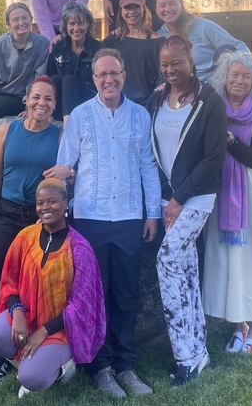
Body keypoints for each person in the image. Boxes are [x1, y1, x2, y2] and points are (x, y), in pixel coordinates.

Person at [46, 48, 162, 398]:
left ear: (124, 76)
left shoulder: (140, 116)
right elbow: (65, 165)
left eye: (114, 73)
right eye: (101, 75)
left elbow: (147, 166)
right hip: (90, 219)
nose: (108, 80)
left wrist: (152, 213)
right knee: (94, 296)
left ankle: (126, 365)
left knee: (126, 295)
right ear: (93, 79)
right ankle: (101, 367)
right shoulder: (80, 116)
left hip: (128, 218)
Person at [144, 35, 228, 387]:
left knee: (168, 261)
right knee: (187, 274)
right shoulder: (158, 97)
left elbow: (213, 159)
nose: (170, 70)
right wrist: (162, 200)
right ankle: (199, 350)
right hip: (166, 198)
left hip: (194, 199)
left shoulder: (210, 101)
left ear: (190, 60)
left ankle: (185, 358)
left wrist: (181, 197)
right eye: (164, 64)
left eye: (176, 62)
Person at [0, 76, 61, 382]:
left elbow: (63, 182)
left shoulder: (60, 136)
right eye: (36, 97)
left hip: (40, 218)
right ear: (26, 99)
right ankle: (6, 346)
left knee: (33, 282)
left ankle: (34, 342)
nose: (42, 103)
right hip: (8, 213)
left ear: (54, 104)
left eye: (49, 99)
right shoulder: (6, 130)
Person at [0, 179, 106, 398]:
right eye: (40, 203)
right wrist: (18, 313)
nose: (45, 207)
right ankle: (31, 363)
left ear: (66, 204)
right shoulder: (25, 237)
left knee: (33, 378)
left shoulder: (79, 249)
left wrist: (43, 332)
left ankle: (62, 368)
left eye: (52, 201)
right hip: (28, 315)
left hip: (61, 329)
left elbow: (80, 307)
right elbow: (9, 281)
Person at [202, 52, 252, 354]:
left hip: (251, 188)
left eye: (246, 76)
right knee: (228, 255)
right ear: (225, 76)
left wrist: (228, 138)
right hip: (221, 187)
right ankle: (238, 326)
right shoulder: (213, 106)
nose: (239, 80)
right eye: (234, 74)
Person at [155, 0, 249, 82]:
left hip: (210, 85)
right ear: (156, 10)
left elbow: (238, 47)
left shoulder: (202, 25)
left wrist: (246, 72)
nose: (168, 9)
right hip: (177, 87)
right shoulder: (158, 37)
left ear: (181, 6)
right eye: (162, 5)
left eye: (172, 3)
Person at [0, 3, 49, 122]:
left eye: (25, 18)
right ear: (8, 25)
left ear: (31, 19)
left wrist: (30, 107)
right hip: (2, 92)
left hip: (24, 97)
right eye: (15, 20)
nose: (21, 23)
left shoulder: (42, 45)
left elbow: (38, 79)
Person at [102, 0, 164, 106]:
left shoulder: (158, 42)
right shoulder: (112, 41)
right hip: (117, 104)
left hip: (148, 104)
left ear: (144, 9)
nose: (132, 12)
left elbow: (163, 75)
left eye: (136, 7)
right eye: (127, 7)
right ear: (121, 11)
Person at [47, 2, 101, 122]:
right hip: (62, 104)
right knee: (54, 79)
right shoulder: (58, 47)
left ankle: (68, 128)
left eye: (81, 23)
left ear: (88, 24)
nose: (76, 29)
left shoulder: (98, 48)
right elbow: (49, 76)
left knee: (68, 80)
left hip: (88, 101)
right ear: (65, 26)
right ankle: (47, 123)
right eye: (71, 24)